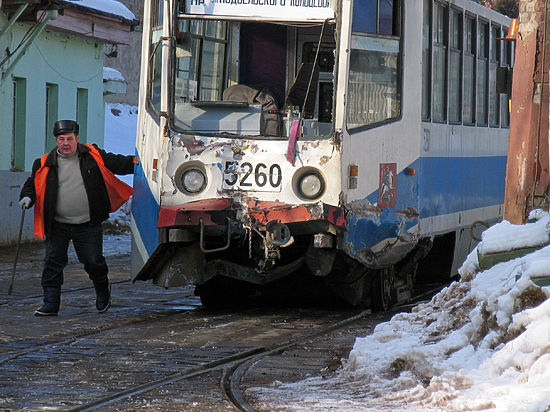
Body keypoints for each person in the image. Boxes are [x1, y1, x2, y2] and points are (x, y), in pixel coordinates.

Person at [19, 120, 135, 316]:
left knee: (93, 261)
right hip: (58, 224)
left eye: (69, 139)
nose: (65, 143)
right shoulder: (44, 163)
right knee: (53, 263)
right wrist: (27, 197)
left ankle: (102, 291)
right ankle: (51, 303)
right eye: (61, 139)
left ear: (77, 139)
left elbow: (119, 163)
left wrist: (140, 162)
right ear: (56, 140)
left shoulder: (92, 156)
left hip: (88, 223)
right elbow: (32, 183)